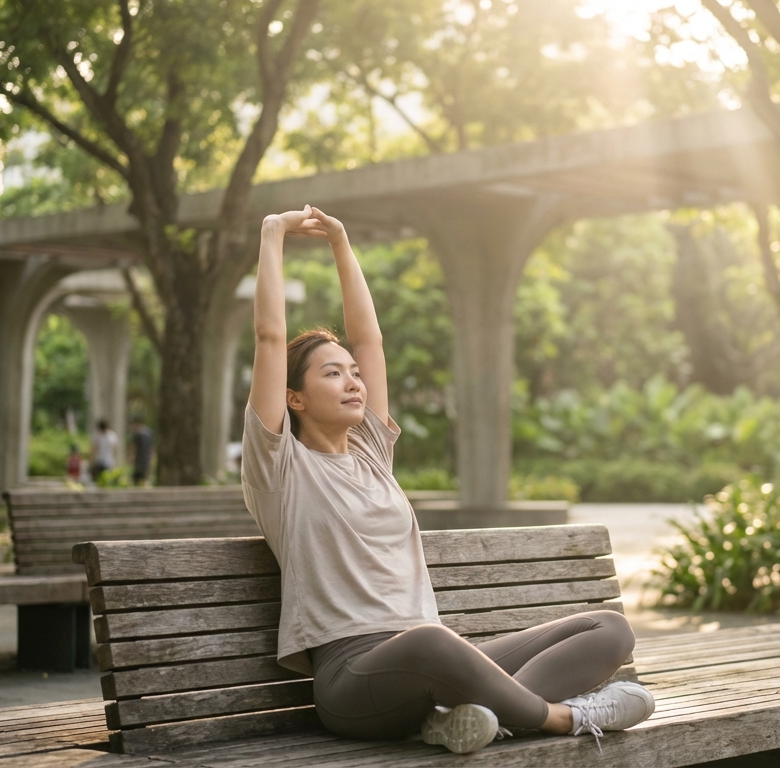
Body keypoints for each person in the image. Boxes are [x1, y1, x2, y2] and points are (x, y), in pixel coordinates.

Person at [243, 207, 655, 755]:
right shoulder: (281, 468)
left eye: (354, 373)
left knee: (609, 630)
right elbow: (271, 339)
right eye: (332, 373)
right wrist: (272, 234)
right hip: (354, 678)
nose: (353, 381)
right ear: (293, 397)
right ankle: (565, 718)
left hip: (432, 663)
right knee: (434, 642)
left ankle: (469, 719)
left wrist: (342, 243)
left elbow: (371, 341)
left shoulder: (370, 455)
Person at [128, 415, 154, 485]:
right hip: (146, 460)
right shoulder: (149, 432)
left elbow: (133, 446)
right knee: (145, 478)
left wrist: (130, 456)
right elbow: (151, 447)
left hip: (139, 461)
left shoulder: (138, 433)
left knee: (136, 480)